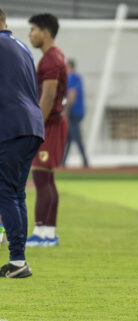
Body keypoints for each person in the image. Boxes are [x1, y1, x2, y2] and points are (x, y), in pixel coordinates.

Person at [0, 8, 44, 277]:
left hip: (11, 127)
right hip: (31, 126)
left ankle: (18, 258)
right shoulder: (21, 47)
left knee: (6, 192)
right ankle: (18, 260)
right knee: (15, 193)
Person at [25, 13, 68, 248]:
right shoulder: (54, 56)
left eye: (33, 30)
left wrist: (36, 125)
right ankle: (47, 232)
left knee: (41, 177)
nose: (30, 35)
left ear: (46, 32)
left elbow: (49, 95)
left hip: (49, 124)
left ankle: (43, 232)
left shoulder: (51, 59)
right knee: (46, 178)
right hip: (53, 122)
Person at [62, 58, 89, 167]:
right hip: (79, 111)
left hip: (74, 113)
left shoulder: (72, 77)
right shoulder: (78, 78)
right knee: (68, 137)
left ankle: (85, 161)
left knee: (75, 137)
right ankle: (62, 162)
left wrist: (66, 109)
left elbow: (72, 94)